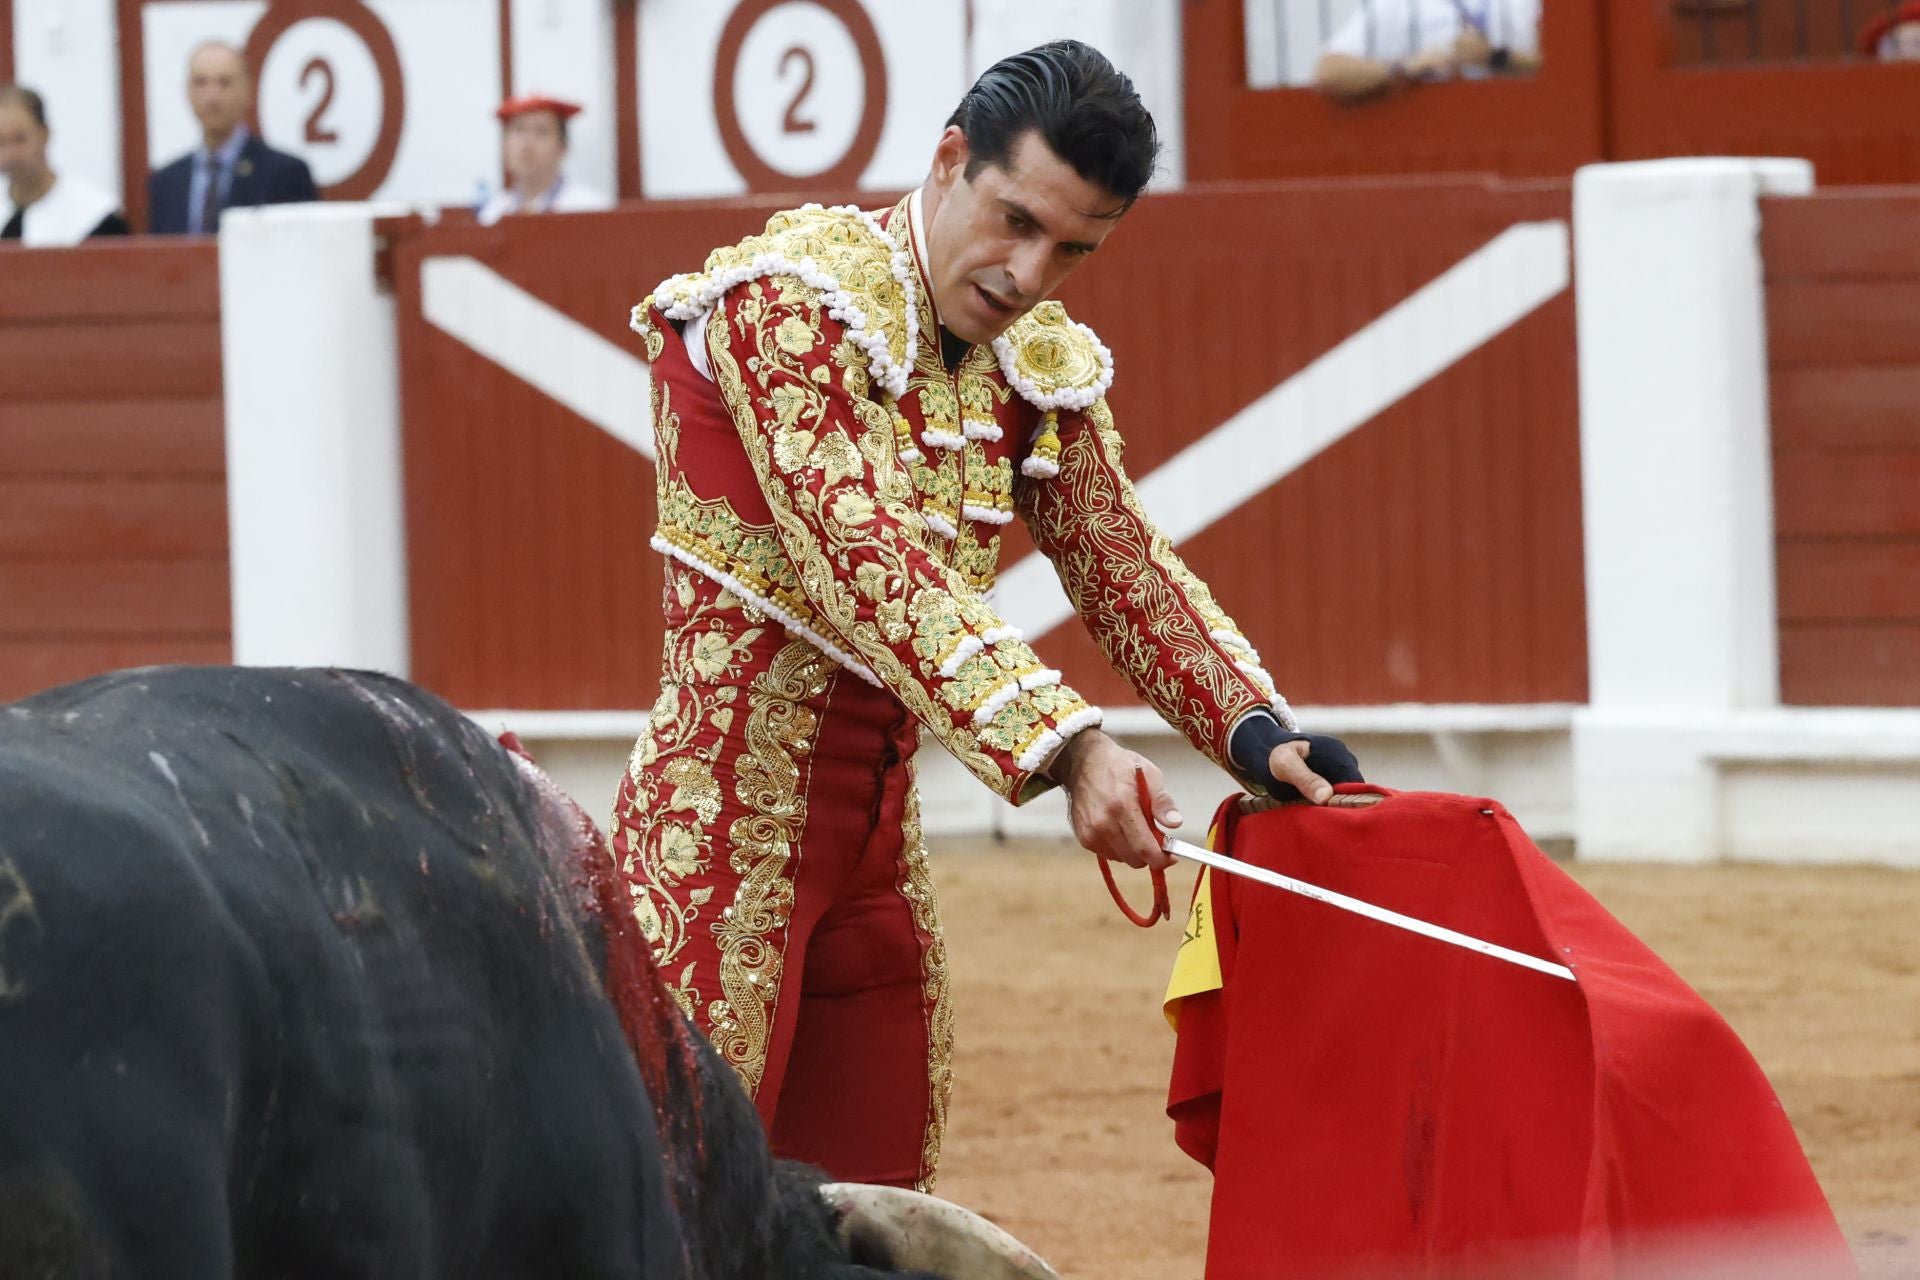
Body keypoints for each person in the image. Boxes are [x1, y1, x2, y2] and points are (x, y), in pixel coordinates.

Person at [614, 40, 1360, 1195]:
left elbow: (1122, 565)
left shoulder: (1033, 361)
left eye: (1072, 249)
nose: (1027, 273)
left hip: (874, 872)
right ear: (950, 156)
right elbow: (870, 565)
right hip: (713, 848)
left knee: (874, 1225)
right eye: (1014, 220)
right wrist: (1070, 749)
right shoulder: (787, 306)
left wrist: (1261, 734)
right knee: (674, 1214)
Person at [148, 41, 318, 235]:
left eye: (224, 82)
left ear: (247, 90)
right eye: (200, 82)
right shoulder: (166, 183)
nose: (212, 96)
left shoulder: (284, 174)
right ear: (188, 91)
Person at [1313, 0, 1541, 104]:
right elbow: (1329, 72)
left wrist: (1494, 57)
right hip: (1427, 139)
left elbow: (1565, 70)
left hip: (1512, 124)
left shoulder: (1523, 5)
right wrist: (1406, 67)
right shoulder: (1396, 6)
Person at [0, 85, 127, 244]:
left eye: (20, 139)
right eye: (1, 142)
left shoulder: (95, 217)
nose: (10, 155)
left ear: (44, 134)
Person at [476, 94, 612, 225]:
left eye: (541, 132)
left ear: (563, 147)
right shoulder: (494, 213)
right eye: (519, 130)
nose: (527, 144)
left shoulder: (590, 209)